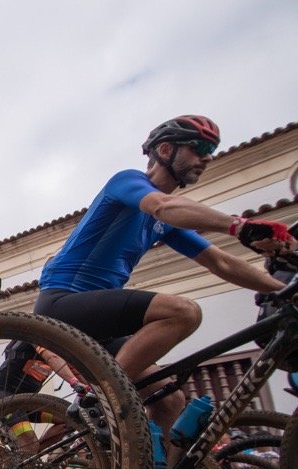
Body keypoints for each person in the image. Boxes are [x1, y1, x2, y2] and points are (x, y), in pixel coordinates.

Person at [34, 115, 294, 436]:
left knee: (171, 400)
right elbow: (162, 206)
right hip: (62, 302)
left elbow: (220, 262)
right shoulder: (127, 182)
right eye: (199, 148)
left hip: (99, 324)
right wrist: (240, 226)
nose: (207, 157)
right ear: (166, 149)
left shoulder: (166, 222)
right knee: (183, 312)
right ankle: (99, 401)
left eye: (211, 151)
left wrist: (282, 288)